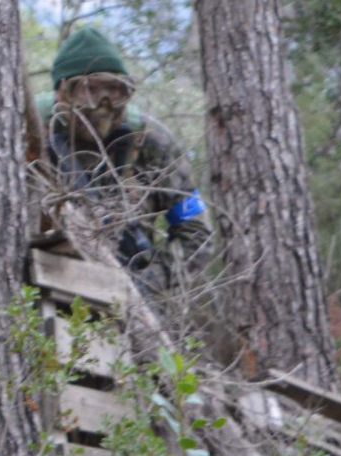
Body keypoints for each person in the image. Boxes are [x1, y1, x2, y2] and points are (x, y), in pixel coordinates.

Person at [40, 26, 212, 290]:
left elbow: (196, 233)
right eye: (89, 89)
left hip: (131, 298)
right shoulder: (30, 133)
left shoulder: (151, 142)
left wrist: (146, 282)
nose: (103, 104)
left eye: (115, 91)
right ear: (62, 92)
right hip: (42, 286)